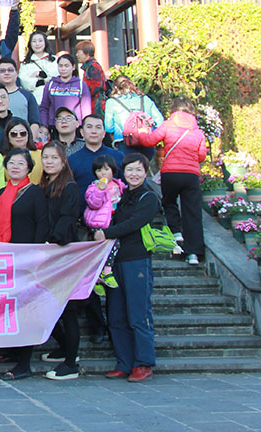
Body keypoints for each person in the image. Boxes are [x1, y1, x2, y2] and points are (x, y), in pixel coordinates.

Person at [96, 154, 160, 382]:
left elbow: (134, 223)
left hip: (137, 260)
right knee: (116, 315)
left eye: (138, 170)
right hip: (115, 262)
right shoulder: (121, 196)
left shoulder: (148, 197)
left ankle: (143, 363)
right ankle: (124, 363)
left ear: (146, 172)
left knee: (138, 313)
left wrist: (107, 233)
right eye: (130, 170)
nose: (134, 174)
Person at [0, 148, 50, 380]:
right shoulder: (1, 192)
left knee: (26, 309)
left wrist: (35, 255)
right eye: (11, 163)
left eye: (21, 163)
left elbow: (42, 224)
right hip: (4, 257)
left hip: (26, 259)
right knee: (10, 307)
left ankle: (24, 363)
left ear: (29, 168)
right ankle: (14, 350)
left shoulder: (34, 192)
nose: (15, 167)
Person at [133, 97, 208, 265]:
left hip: (170, 173)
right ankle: (193, 254)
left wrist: (142, 131)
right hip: (191, 175)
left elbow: (149, 141)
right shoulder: (198, 132)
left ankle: (176, 232)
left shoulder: (168, 125)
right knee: (192, 212)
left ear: (173, 109)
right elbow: (201, 156)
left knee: (169, 202)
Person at [36, 142, 86, 381]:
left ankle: (71, 363)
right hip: (48, 254)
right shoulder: (47, 185)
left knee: (68, 311)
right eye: (45, 157)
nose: (49, 162)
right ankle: (65, 347)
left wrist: (52, 242)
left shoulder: (70, 187)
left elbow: (67, 220)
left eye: (54, 158)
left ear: (63, 161)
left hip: (63, 255)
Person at [84, 155, 125, 296]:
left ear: (113, 170)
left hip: (113, 219)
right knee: (104, 247)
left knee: (114, 244)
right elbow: (93, 203)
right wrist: (100, 190)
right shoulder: (93, 187)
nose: (103, 173)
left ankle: (99, 276)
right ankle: (104, 273)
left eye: (106, 170)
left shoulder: (118, 185)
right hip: (99, 221)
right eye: (99, 170)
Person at [104, 76, 165, 161]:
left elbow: (108, 127)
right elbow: (160, 121)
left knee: (128, 167)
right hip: (146, 143)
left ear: (115, 87)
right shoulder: (144, 99)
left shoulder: (112, 102)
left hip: (124, 143)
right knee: (144, 167)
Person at [67, 115, 124, 193]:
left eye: (98, 127)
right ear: (82, 132)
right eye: (89, 127)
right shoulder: (72, 160)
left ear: (104, 133)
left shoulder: (118, 156)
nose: (94, 131)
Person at [39, 53, 92, 127]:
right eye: (60, 66)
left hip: (75, 126)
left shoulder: (81, 85)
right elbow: (44, 107)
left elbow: (86, 109)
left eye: (66, 66)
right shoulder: (50, 84)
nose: (63, 69)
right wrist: (45, 125)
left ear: (73, 67)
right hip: (54, 125)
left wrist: (84, 126)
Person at [0, 59, 42, 135]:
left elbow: (35, 122)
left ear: (17, 73)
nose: (6, 73)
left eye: (10, 70)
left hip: (21, 139)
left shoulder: (28, 96)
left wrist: (30, 139)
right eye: (2, 71)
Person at [19, 31, 59, 105]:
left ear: (45, 42)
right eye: (34, 41)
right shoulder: (26, 64)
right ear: (30, 44)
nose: (37, 44)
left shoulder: (55, 60)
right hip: (37, 101)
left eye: (40, 41)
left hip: (55, 100)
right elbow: (25, 83)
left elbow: (57, 77)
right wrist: (39, 79)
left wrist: (35, 77)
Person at [75, 41, 109, 118]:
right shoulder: (89, 66)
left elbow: (97, 86)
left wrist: (84, 95)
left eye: (78, 52)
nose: (77, 55)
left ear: (86, 52)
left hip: (95, 105)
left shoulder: (93, 66)